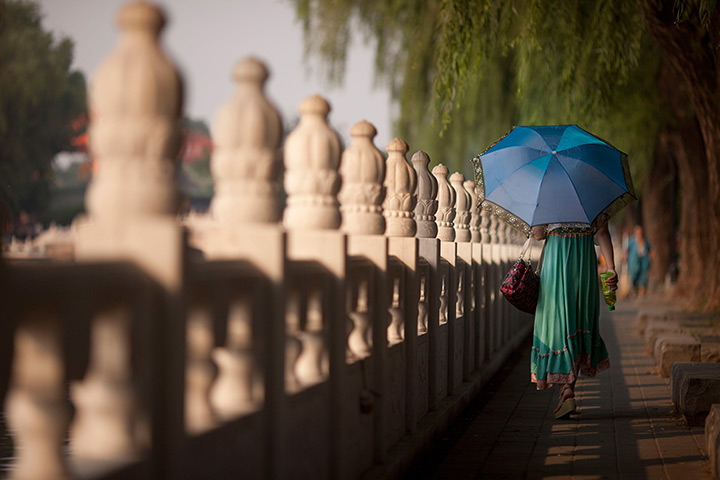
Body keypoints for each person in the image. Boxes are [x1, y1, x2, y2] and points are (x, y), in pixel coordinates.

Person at [531, 222, 618, 419]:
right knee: (578, 321)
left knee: (558, 324)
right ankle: (568, 387)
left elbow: (537, 234)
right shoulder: (591, 191)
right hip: (584, 259)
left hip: (556, 259)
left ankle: (566, 390)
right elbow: (603, 232)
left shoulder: (546, 193)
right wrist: (611, 267)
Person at [625, 224, 651, 296]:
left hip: (643, 260)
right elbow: (626, 249)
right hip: (634, 261)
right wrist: (624, 256)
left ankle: (641, 291)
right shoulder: (632, 241)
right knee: (634, 275)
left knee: (643, 275)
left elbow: (649, 249)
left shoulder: (645, 240)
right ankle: (634, 289)